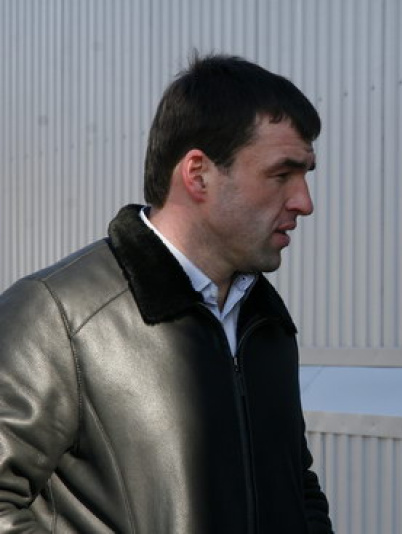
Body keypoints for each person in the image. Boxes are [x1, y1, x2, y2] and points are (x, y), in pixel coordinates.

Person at [0, 54, 333, 533]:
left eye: (306, 175)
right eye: (282, 174)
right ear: (197, 174)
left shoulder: (264, 322)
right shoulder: (58, 316)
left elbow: (296, 488)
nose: (304, 202)